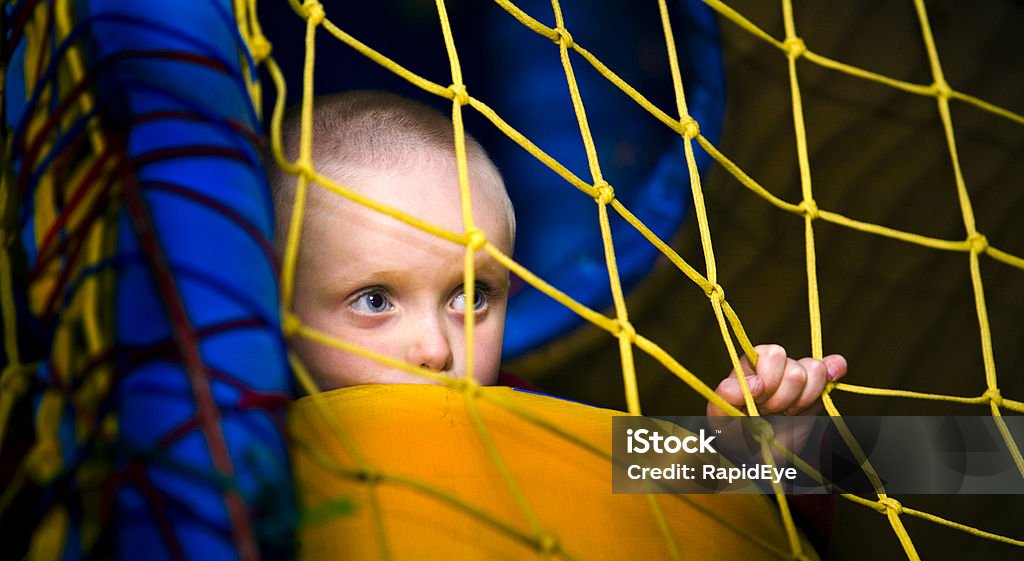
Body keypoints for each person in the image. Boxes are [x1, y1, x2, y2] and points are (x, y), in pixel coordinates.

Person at [268, 90, 847, 418]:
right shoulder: (242, 442)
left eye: (471, 296)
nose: (436, 350)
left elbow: (671, 491)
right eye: (375, 301)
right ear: (277, 310)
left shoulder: (534, 415)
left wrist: (743, 449)